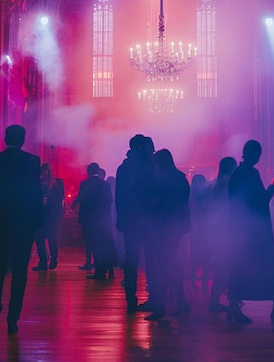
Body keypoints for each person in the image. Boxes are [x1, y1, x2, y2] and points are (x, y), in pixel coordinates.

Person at [0, 124, 43, 334]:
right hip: (23, 224)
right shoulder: (32, 162)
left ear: (5, 137)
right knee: (19, 271)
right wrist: (37, 224)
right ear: (23, 139)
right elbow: (35, 195)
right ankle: (13, 316)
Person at [226, 140, 274, 324]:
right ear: (254, 155)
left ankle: (234, 307)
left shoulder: (237, 173)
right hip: (256, 231)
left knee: (241, 269)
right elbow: (260, 200)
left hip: (240, 229)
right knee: (267, 268)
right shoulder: (251, 173)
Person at [144, 149, 191, 321]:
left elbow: (160, 204)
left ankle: (161, 307)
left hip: (166, 227)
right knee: (168, 263)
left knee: (162, 265)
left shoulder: (166, 180)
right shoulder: (179, 178)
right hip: (175, 227)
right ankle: (181, 301)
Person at [115, 134, 155, 313]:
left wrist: (120, 218)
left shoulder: (123, 168)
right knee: (151, 259)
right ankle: (153, 297)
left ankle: (130, 298)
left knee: (131, 260)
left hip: (131, 219)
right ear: (139, 148)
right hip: (148, 218)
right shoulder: (149, 165)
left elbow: (119, 196)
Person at [73, 162, 116, 280]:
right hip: (102, 219)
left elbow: (81, 198)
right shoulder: (105, 184)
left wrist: (72, 206)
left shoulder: (85, 184)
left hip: (88, 219)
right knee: (103, 244)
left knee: (91, 243)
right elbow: (110, 201)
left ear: (88, 172)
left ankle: (99, 272)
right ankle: (104, 269)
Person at [207, 156, 237, 312]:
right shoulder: (229, 183)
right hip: (227, 231)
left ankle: (216, 300)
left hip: (218, 231)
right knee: (227, 267)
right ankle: (228, 301)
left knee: (222, 267)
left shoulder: (216, 184)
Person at [33, 163, 64, 271]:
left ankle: (53, 260)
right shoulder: (38, 183)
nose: (44, 174)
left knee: (51, 238)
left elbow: (60, 198)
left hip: (51, 215)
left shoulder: (58, 183)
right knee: (40, 239)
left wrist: (48, 201)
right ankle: (43, 262)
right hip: (41, 214)